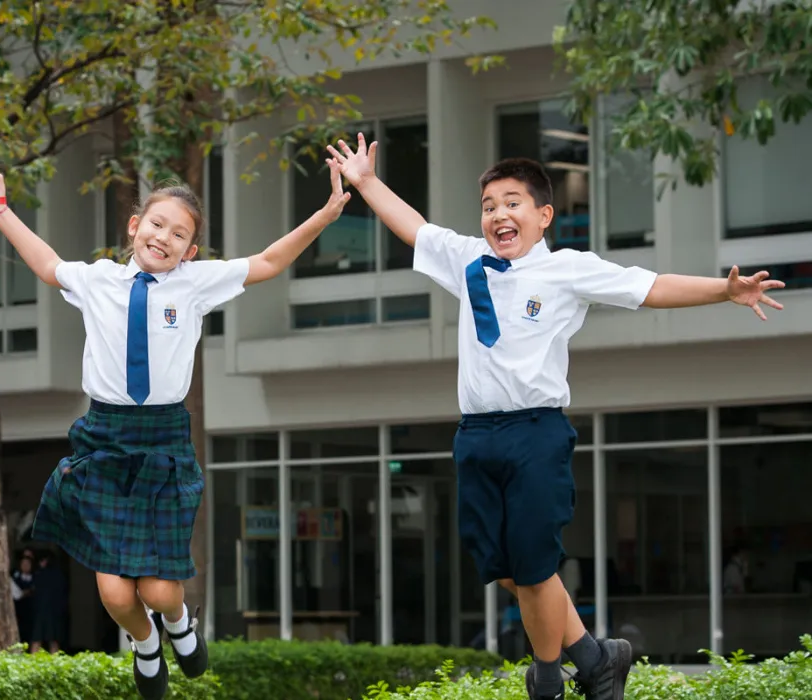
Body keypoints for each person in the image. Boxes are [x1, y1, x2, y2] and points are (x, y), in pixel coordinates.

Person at [326, 136, 783, 700]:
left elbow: (651, 287)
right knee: (510, 571)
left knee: (538, 565)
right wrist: (366, 181)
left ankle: (546, 680)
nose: (498, 214)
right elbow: (413, 226)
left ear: (543, 216)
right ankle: (595, 658)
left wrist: (725, 290)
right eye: (489, 205)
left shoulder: (568, 270)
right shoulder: (468, 260)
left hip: (535, 432)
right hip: (475, 435)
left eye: (512, 202)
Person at [0, 161, 351, 699]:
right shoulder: (99, 280)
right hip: (104, 439)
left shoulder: (195, 285)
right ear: (134, 227)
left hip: (162, 441)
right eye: (157, 225)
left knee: (156, 586)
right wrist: (1, 211)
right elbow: (46, 262)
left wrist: (326, 213)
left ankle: (178, 622)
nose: (165, 238)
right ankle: (146, 642)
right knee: (115, 592)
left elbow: (269, 260)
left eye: (180, 234)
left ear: (191, 252)